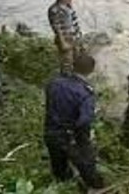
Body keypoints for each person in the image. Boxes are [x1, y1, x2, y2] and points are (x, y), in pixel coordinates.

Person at [44, 54, 104, 190]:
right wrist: (84, 139)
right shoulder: (85, 93)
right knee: (88, 168)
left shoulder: (54, 83)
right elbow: (85, 120)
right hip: (72, 137)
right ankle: (99, 189)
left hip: (51, 132)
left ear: (73, 66)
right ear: (91, 71)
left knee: (59, 168)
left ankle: (65, 187)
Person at [47, 0, 83, 74]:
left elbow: (75, 23)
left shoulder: (68, 6)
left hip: (74, 38)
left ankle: (75, 81)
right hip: (66, 40)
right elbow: (56, 28)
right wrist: (63, 42)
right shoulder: (54, 10)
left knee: (77, 61)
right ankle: (65, 82)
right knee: (67, 63)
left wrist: (79, 38)